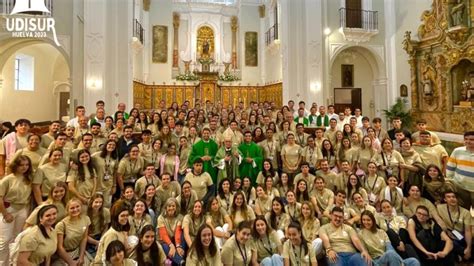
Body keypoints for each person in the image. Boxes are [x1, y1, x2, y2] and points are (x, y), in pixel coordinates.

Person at [0, 155, 33, 263]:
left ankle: (12, 262)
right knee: (5, 240)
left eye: (27, 165)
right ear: (16, 166)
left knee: (17, 238)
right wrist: (5, 213)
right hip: (9, 209)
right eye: (21, 165)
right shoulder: (8, 179)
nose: (24, 167)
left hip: (23, 209)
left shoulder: (28, 178)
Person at [437, 190, 472, 262]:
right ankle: (461, 254)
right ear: (445, 199)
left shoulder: (465, 212)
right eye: (448, 197)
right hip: (447, 234)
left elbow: (468, 231)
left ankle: (461, 255)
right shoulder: (439, 208)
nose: (452, 199)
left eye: (453, 197)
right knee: (444, 242)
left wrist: (469, 247)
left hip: (460, 235)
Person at [55, 198, 91, 265]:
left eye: (77, 207)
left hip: (78, 251)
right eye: (72, 208)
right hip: (65, 254)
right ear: (67, 210)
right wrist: (71, 262)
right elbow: (59, 247)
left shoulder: (86, 219)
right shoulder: (61, 225)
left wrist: (81, 257)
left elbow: (84, 238)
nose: (75, 210)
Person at [446, 131, 474, 210]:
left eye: (471, 139)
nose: (468, 141)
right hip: (460, 187)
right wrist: (450, 180)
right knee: (463, 210)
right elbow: (450, 167)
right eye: (466, 139)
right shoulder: (457, 151)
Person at [157, 198, 185, 265]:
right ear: (166, 207)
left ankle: (178, 261)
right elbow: (163, 234)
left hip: (176, 239)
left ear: (176, 207)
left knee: (182, 236)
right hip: (165, 240)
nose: (171, 208)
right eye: (169, 206)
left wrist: (178, 246)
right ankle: (181, 262)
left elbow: (178, 232)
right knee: (165, 245)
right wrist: (171, 245)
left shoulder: (180, 217)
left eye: (173, 206)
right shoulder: (161, 218)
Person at [86, 194, 111, 258]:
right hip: (89, 238)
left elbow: (106, 228)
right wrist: (97, 243)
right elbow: (84, 235)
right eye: (96, 202)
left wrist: (101, 241)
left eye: (100, 202)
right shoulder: (86, 213)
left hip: (101, 236)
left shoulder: (106, 212)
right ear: (92, 202)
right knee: (93, 257)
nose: (98, 204)